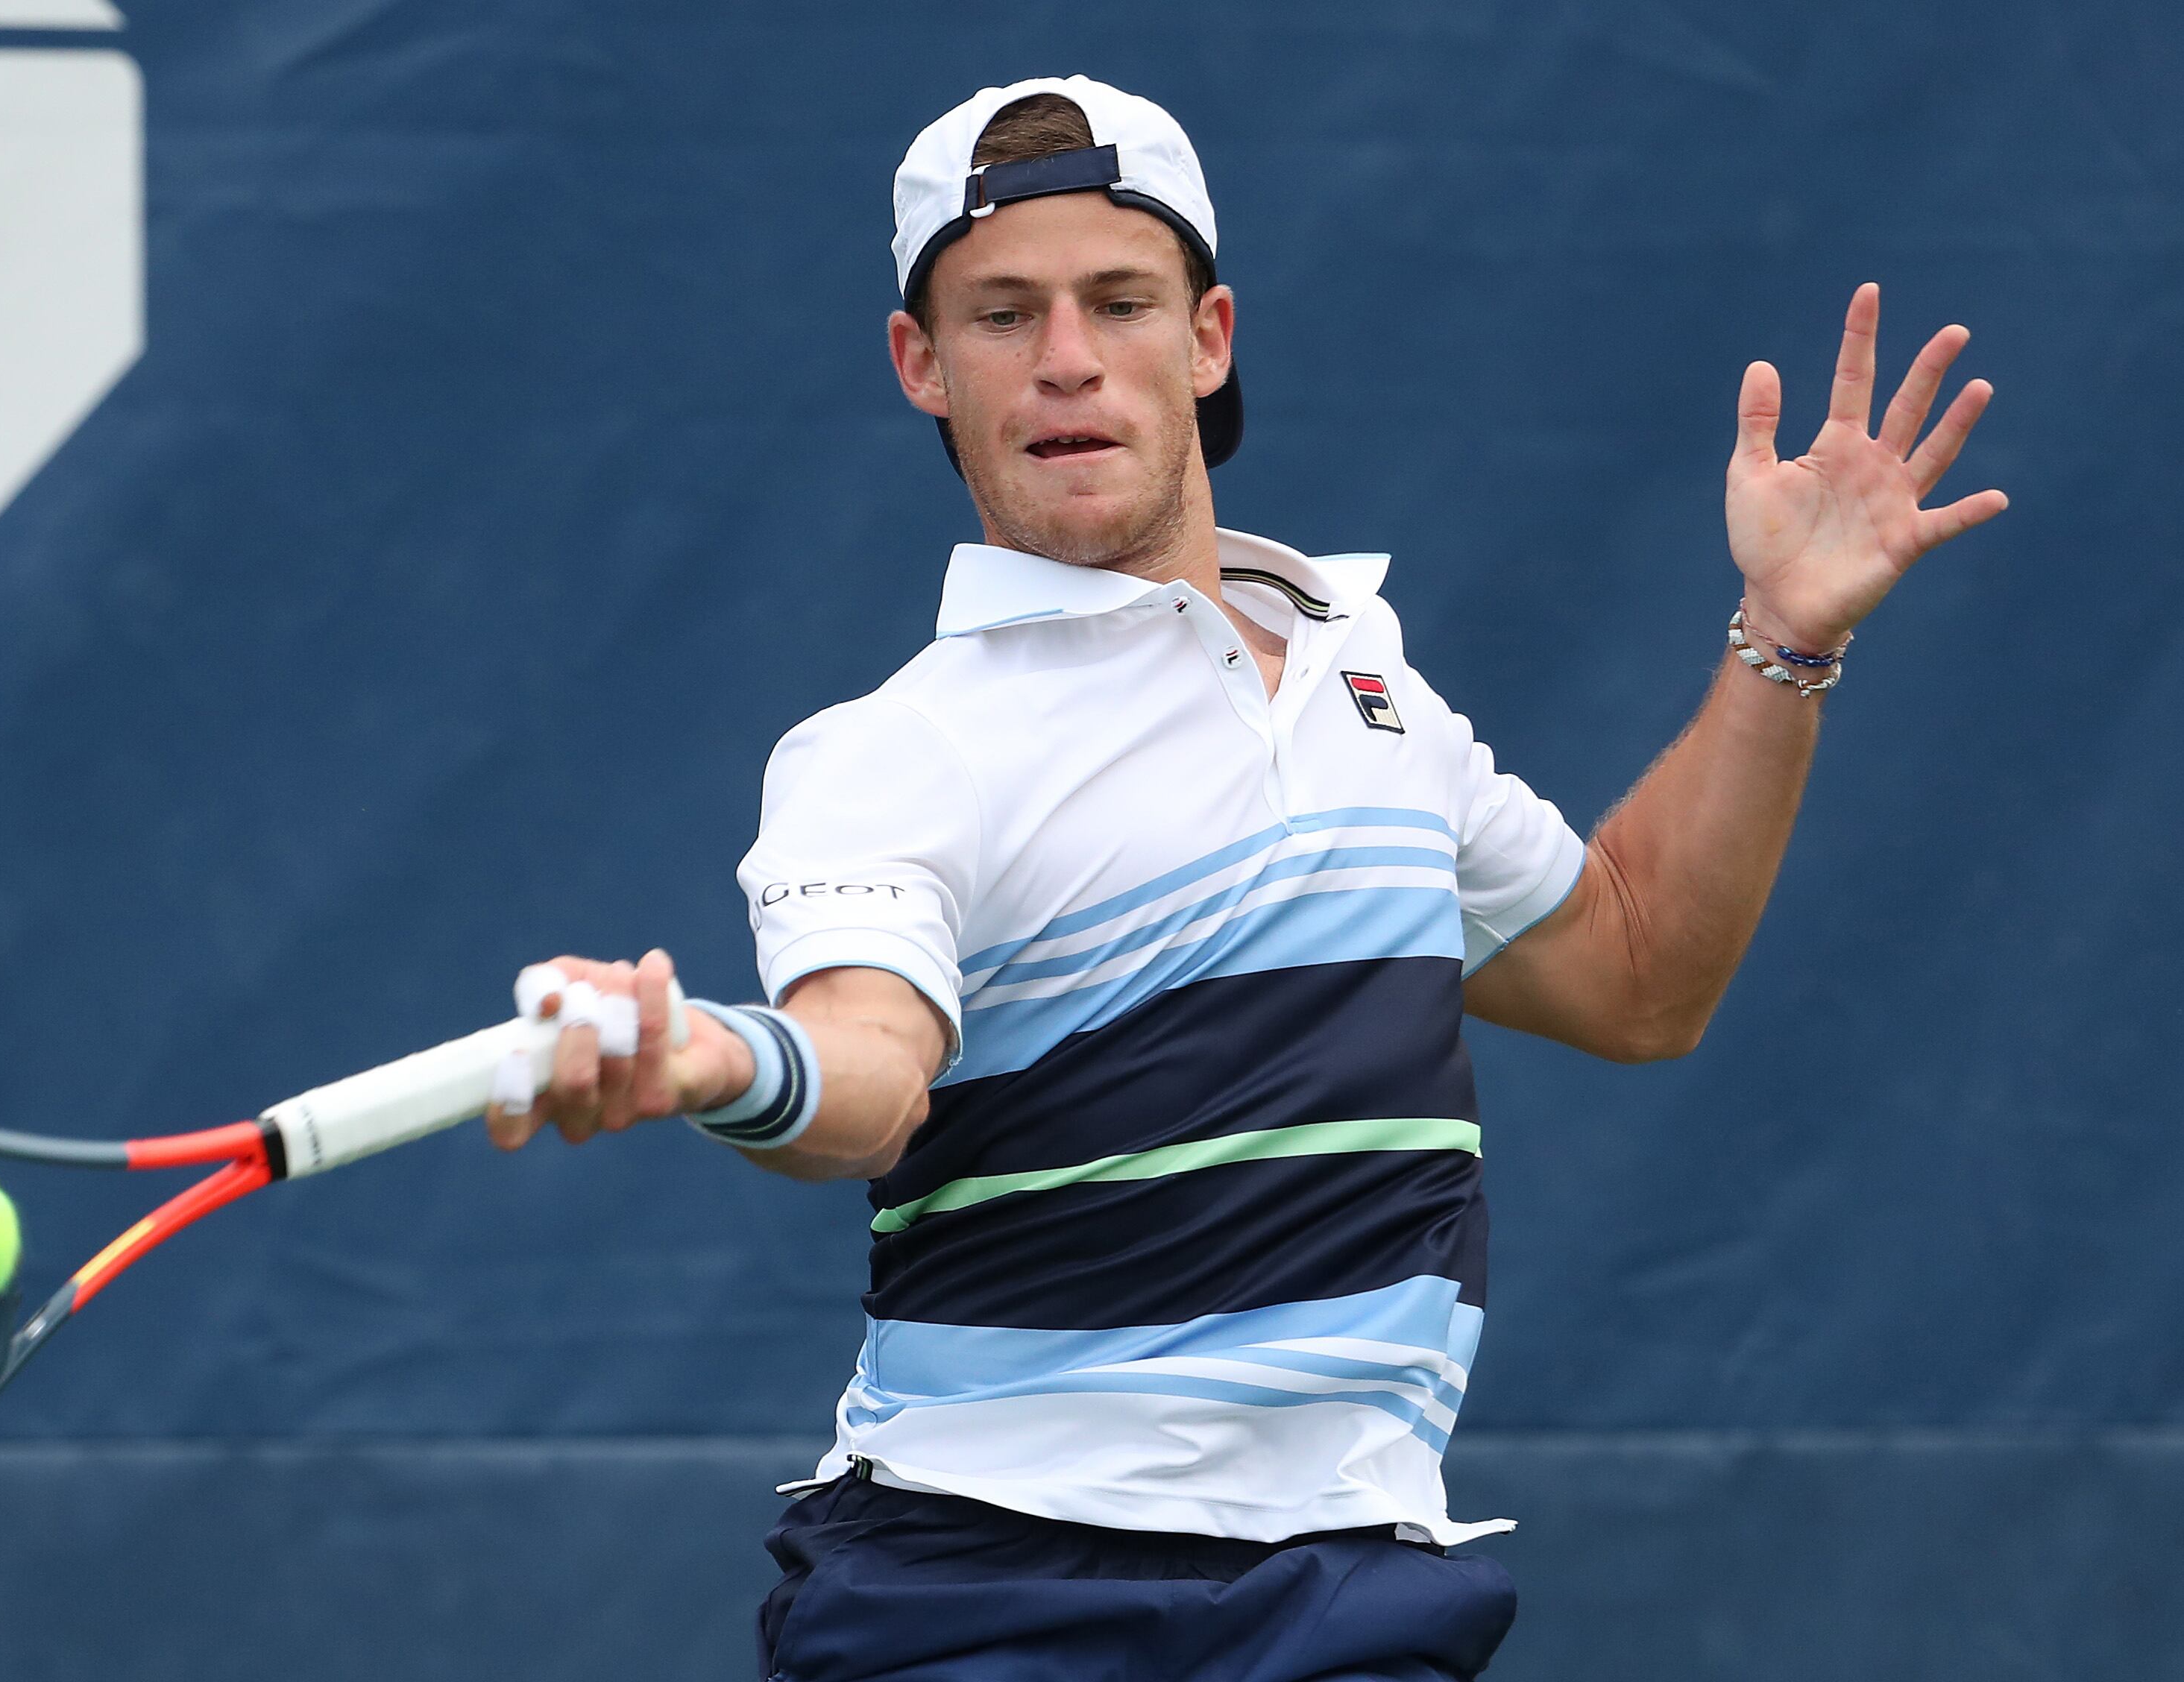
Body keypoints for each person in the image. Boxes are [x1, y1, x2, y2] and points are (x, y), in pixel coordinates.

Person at [486, 74, 2006, 1682]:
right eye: (1001, 315)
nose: (1064, 358)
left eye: (1115, 302)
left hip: (1349, 1594)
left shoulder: (1368, 689)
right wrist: (722, 1059)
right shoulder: (890, 753)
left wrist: (1785, 637)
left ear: (1205, 336)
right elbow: (866, 1072)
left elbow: (1637, 976)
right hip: (982, 1603)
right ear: (920, 368)